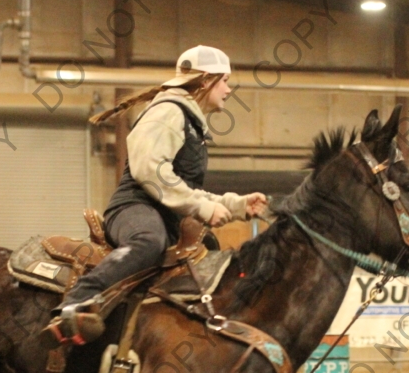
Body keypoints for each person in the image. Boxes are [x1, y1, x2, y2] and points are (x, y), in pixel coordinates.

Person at [44, 45, 268, 347]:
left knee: (209, 247)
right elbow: (149, 170)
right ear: (206, 80)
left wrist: (235, 205)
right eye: (225, 80)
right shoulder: (168, 112)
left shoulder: (189, 122)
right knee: (148, 241)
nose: (228, 89)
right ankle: (76, 302)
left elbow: (182, 186)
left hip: (165, 215)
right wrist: (201, 207)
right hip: (134, 208)